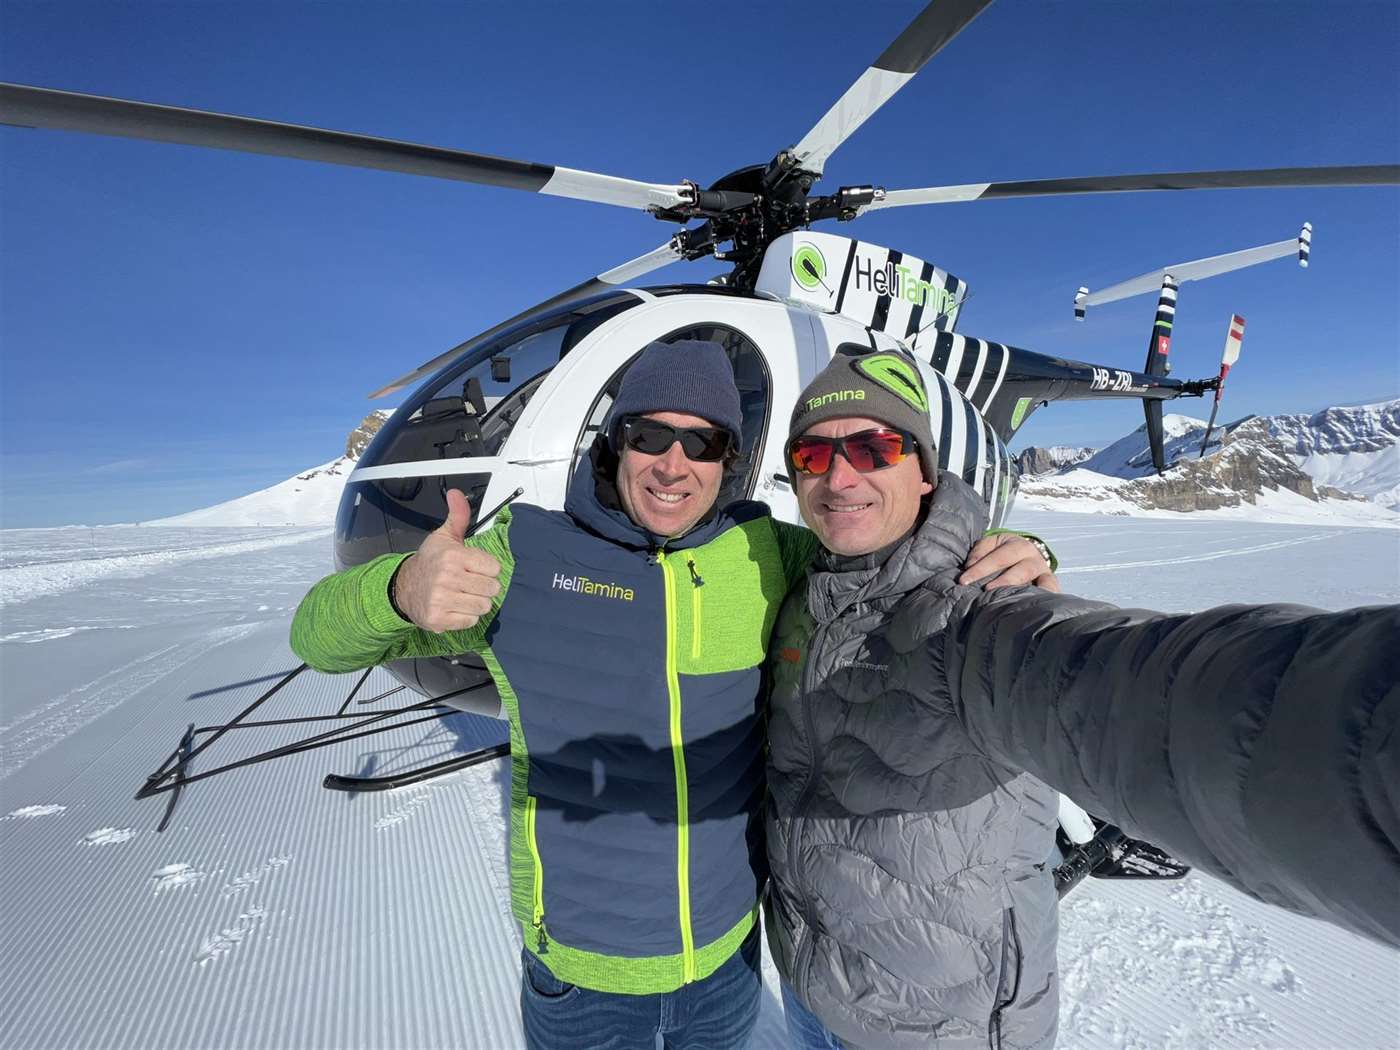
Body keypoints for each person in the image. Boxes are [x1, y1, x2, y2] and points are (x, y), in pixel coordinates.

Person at [289, 339, 1055, 1050]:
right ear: (614, 444)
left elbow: (888, 557)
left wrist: (1024, 552)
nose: (673, 463)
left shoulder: (766, 552)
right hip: (585, 976)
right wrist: (396, 590)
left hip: (725, 965)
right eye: (649, 435)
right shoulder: (526, 554)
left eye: (704, 441)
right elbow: (316, 641)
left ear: (731, 460)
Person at [765, 348, 1399, 1050]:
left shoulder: (973, 616)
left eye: (872, 447)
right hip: (811, 990)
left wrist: (1362, 759)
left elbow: (1131, 692)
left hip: (932, 1028)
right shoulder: (805, 591)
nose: (839, 474)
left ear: (924, 474)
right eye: (813, 454)